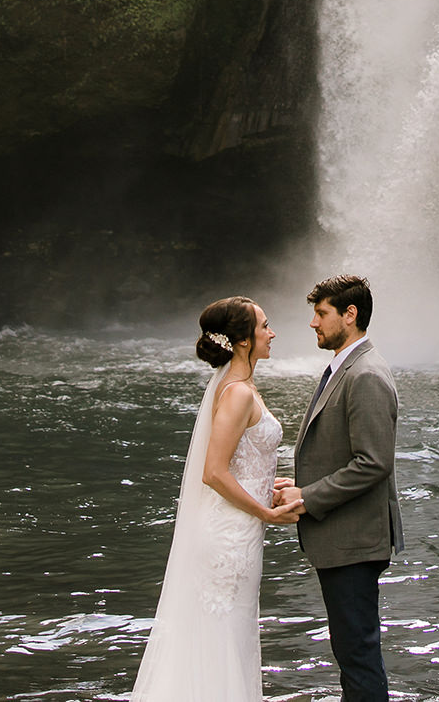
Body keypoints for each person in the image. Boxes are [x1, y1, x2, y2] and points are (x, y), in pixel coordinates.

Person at [129, 296, 303, 701]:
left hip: (239, 532)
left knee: (229, 635)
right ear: (243, 341)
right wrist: (265, 512)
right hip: (227, 540)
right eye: (264, 326)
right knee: (220, 637)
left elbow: (241, 463)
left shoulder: (242, 387)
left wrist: (269, 485)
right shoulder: (238, 392)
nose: (272, 333)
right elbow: (213, 471)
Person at [275, 274, 402, 702]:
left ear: (350, 315)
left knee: (358, 657)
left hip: (355, 541)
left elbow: (374, 463)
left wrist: (308, 497)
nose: (313, 323)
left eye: (321, 313)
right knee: (352, 654)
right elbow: (343, 453)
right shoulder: (345, 366)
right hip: (346, 537)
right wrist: (299, 484)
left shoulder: (365, 373)